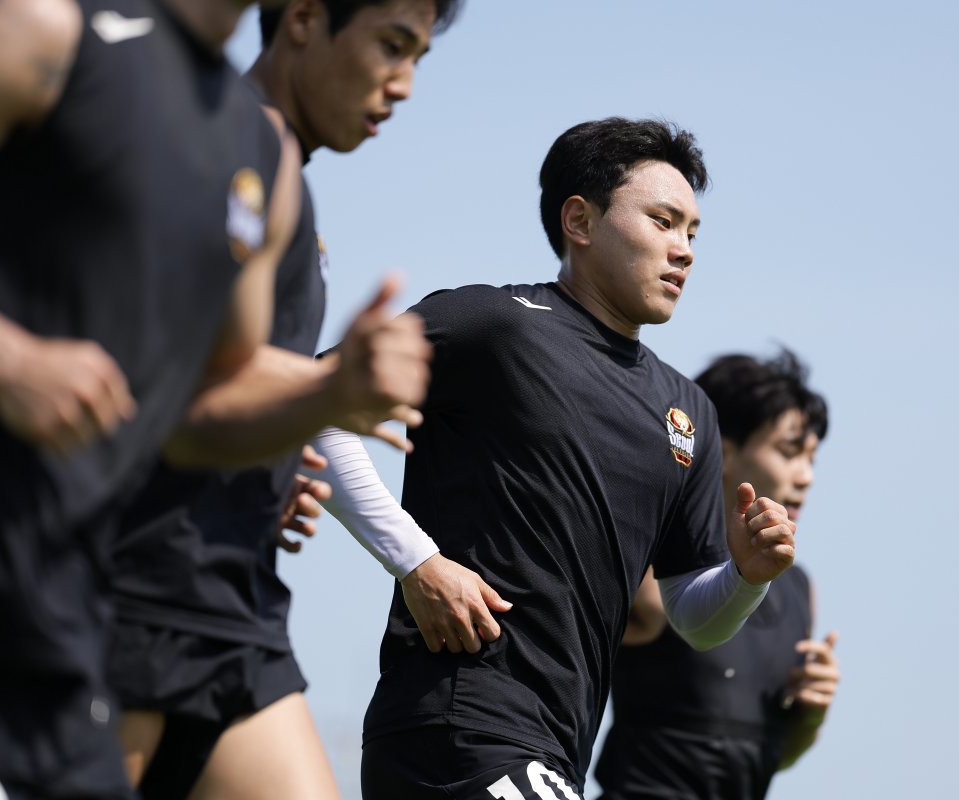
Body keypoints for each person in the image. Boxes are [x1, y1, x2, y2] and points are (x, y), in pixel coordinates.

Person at [0, 0, 426, 796]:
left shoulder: (255, 150)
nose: (403, 85)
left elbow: (192, 413)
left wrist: (323, 396)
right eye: (394, 45)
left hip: (95, 616)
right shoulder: (42, 27)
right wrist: (5, 358)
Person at [353, 117, 800, 800]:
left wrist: (746, 575)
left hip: (560, 748)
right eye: (663, 220)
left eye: (693, 232)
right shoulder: (494, 326)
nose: (683, 250)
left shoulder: (689, 411)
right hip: (456, 725)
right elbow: (308, 410)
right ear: (580, 221)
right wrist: (416, 560)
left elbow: (692, 617)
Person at [107, 1, 465, 798]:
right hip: (123, 595)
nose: (402, 85)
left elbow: (216, 381)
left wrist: (273, 449)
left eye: (419, 59)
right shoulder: (200, 141)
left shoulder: (279, 182)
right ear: (303, 17)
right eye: (391, 46)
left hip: (237, 609)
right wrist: (324, 393)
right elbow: (139, 377)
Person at [594, 349, 840, 800]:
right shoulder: (652, 567)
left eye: (812, 458)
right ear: (722, 452)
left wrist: (809, 716)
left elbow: (766, 751)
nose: (806, 476)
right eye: (789, 452)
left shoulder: (800, 587)